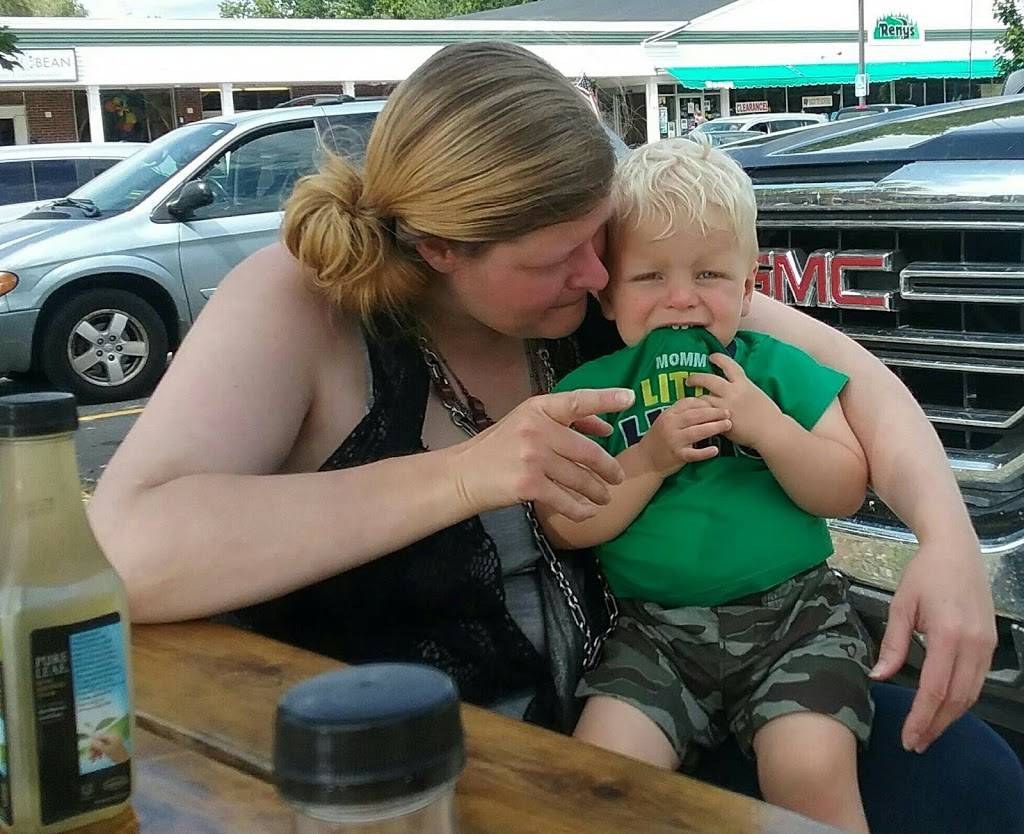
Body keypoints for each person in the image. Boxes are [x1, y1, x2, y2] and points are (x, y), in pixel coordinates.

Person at [86, 41, 1021, 833]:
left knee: (970, 778)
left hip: (658, 702)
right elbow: (129, 551)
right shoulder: (307, 305)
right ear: (440, 249)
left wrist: (946, 541)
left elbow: (858, 382)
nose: (596, 274)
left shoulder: (610, 289)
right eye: (554, 257)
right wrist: (467, 474)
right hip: (405, 782)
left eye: (598, 238)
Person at [540, 138, 873, 831]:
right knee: (594, 776)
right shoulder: (593, 393)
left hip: (796, 621)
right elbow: (567, 524)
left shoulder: (776, 369)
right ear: (608, 295)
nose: (681, 298)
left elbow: (846, 488)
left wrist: (771, 429)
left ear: (748, 287)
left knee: (809, 773)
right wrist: (650, 458)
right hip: (654, 634)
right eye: (649, 276)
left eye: (710, 274)